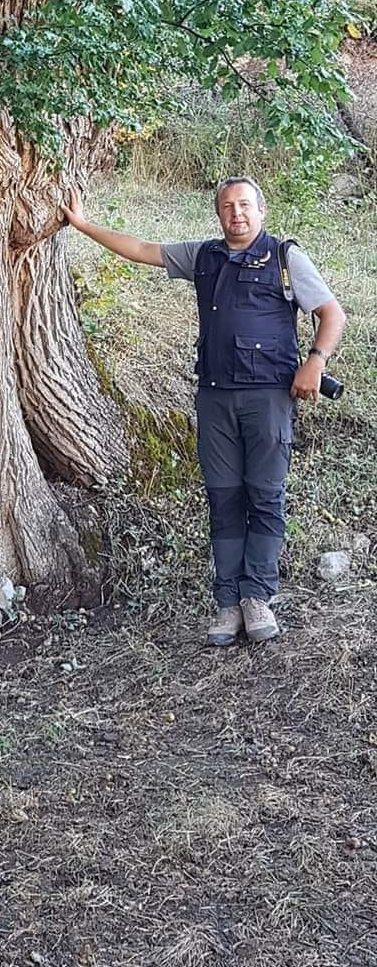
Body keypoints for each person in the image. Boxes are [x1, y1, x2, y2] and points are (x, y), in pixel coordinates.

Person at [62, 177, 345, 646]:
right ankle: (228, 603)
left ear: (262, 211)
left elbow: (332, 313)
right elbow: (142, 249)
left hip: (268, 397)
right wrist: (84, 225)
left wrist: (315, 363)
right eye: (228, 206)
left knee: (265, 496)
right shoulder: (203, 256)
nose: (237, 213)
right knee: (223, 497)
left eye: (245, 205)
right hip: (215, 398)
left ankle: (257, 596)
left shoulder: (284, 258)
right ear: (218, 214)